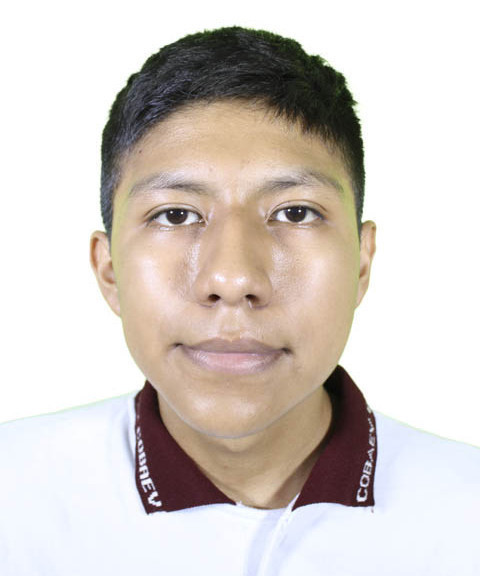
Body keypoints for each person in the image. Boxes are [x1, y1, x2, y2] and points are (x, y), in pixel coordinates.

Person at [1, 26, 479, 576]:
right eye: (175, 214)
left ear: (361, 263)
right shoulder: (14, 498)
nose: (232, 278)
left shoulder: (465, 513)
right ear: (109, 270)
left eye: (295, 212)